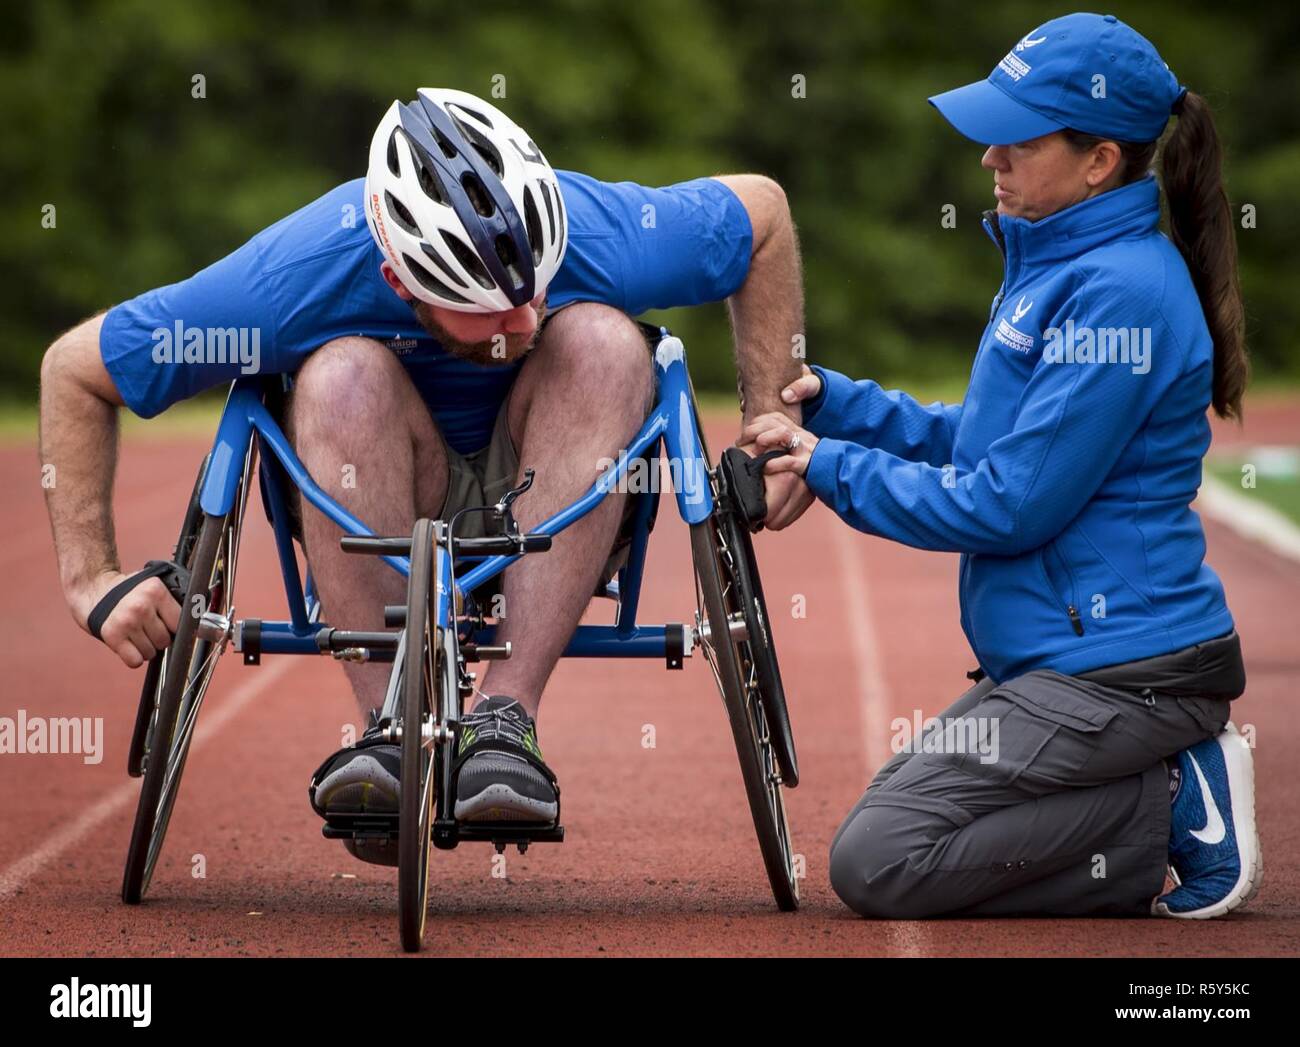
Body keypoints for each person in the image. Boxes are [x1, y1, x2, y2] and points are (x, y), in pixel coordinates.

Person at [39, 89, 811, 855]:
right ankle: (388, 734)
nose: (522, 322)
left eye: (531, 291)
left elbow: (763, 215)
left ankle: (506, 722)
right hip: (378, 480)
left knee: (605, 343)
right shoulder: (292, 276)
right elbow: (75, 370)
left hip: (561, 470)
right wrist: (90, 578)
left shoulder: (602, 233)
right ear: (399, 280)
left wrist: (772, 428)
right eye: (487, 309)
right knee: (339, 370)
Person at [743, 14, 1258, 919]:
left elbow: (1006, 504)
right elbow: (987, 439)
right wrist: (840, 405)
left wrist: (828, 469)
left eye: (1016, 137)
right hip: (1059, 665)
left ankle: (1174, 796)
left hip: (1129, 673)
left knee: (881, 860)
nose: (989, 156)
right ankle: (1155, 808)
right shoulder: (1058, 260)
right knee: (904, 828)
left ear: (1099, 160)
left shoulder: (1121, 293)